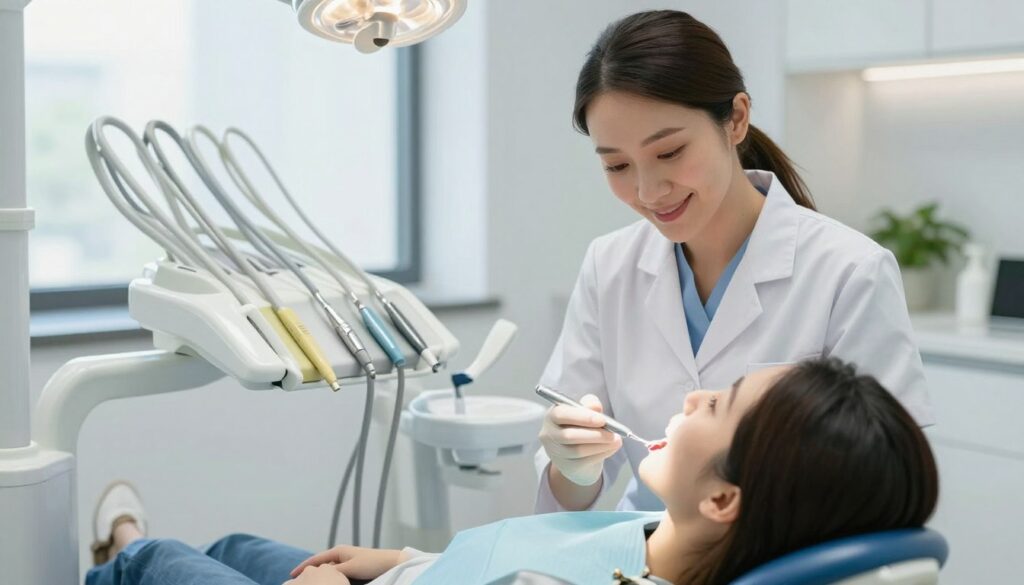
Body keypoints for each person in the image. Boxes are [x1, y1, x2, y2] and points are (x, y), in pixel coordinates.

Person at [535, 9, 934, 514]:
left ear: (737, 119)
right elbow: (566, 500)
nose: (647, 190)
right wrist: (573, 465)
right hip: (645, 552)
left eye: (671, 152)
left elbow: (890, 482)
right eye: (616, 165)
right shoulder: (609, 265)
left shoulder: (848, 271)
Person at [85, 358, 938, 585]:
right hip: (405, 577)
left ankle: (117, 544)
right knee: (231, 541)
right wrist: (399, 561)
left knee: (150, 564)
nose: (695, 390)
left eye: (717, 404)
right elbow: (495, 557)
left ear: (724, 496)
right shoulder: (655, 535)